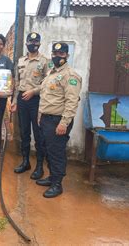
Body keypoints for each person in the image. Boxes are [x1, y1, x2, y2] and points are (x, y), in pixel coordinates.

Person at [36, 42, 82, 198]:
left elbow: (72, 102)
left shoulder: (71, 76)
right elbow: (46, 96)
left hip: (57, 121)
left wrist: (64, 123)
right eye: (55, 54)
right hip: (46, 119)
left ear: (67, 56)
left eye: (61, 54)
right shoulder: (52, 73)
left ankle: (57, 184)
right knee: (48, 149)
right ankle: (51, 177)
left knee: (56, 152)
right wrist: (40, 114)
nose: (57, 56)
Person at [11, 32, 49, 180]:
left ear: (39, 43)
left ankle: (39, 166)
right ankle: (25, 161)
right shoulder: (21, 60)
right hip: (22, 99)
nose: (33, 43)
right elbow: (17, 83)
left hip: (36, 100)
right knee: (24, 132)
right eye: (31, 41)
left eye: (36, 41)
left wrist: (33, 91)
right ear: (26, 43)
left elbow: (47, 83)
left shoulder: (45, 61)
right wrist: (14, 101)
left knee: (38, 134)